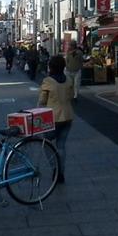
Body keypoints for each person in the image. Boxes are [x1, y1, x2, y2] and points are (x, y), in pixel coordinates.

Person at [38, 55, 74, 183]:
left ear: (51, 66)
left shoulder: (48, 81)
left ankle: (55, 168)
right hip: (68, 116)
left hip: (53, 117)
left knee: (46, 143)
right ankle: (61, 173)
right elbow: (70, 96)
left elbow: (42, 100)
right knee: (61, 146)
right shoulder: (69, 79)